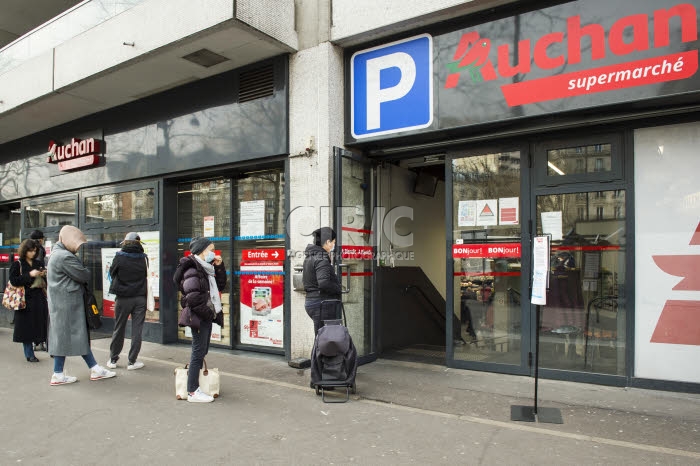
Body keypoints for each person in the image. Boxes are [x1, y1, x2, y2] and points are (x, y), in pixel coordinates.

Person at [47, 225, 116, 386]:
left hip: (61, 304)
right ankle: (95, 369)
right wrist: (83, 268)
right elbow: (84, 274)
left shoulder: (56, 254)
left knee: (63, 339)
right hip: (68, 304)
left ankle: (59, 373)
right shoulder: (64, 257)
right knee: (78, 337)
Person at [173, 237, 226, 403]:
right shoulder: (192, 269)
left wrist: (220, 267)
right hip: (198, 316)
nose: (213, 252)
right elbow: (193, 298)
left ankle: (194, 384)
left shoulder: (207, 268)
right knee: (198, 352)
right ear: (203, 250)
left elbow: (221, 285)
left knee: (202, 350)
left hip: (206, 315)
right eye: (211, 249)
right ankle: (192, 391)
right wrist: (209, 314)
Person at [106, 232, 148, 371]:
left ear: (125, 242)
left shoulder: (119, 256)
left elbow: (112, 273)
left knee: (119, 327)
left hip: (123, 298)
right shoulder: (144, 258)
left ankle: (113, 359)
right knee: (137, 330)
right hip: (140, 298)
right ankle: (132, 362)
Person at [9, 239, 48, 362]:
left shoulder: (37, 263)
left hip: (38, 298)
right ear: (25, 251)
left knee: (39, 324)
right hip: (24, 300)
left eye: (34, 251)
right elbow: (13, 281)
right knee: (26, 328)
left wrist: (43, 275)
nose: (32, 253)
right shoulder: (17, 264)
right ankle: (29, 354)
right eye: (30, 251)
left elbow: (45, 282)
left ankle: (39, 345)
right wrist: (29, 275)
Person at [302, 227, 342, 336]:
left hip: (312, 301)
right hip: (320, 303)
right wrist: (338, 288)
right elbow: (323, 283)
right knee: (325, 340)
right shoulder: (321, 258)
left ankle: (319, 353)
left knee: (322, 338)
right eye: (333, 242)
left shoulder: (310, 256)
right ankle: (320, 354)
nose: (334, 245)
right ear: (328, 242)